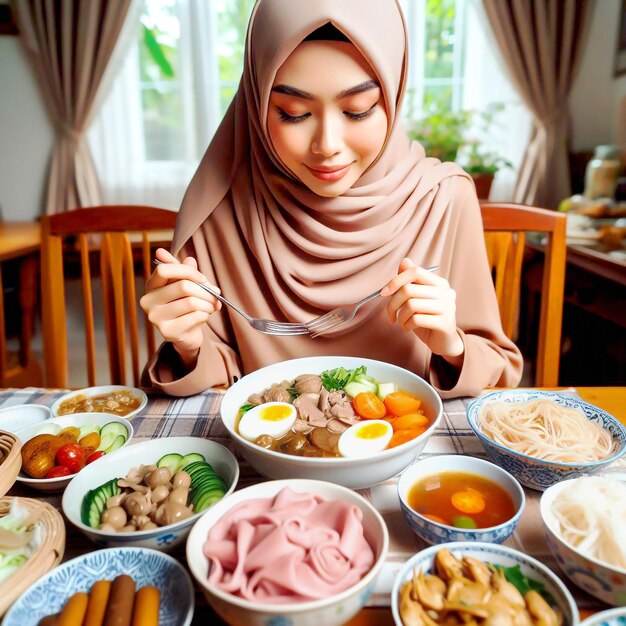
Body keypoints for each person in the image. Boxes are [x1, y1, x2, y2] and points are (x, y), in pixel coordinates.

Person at [140, 0, 523, 399]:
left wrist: (452, 344)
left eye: (358, 110)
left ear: (392, 98)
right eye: (292, 113)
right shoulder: (220, 210)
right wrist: (188, 345)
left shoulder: (443, 198)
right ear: (255, 104)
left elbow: (497, 366)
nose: (327, 146)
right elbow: (217, 374)